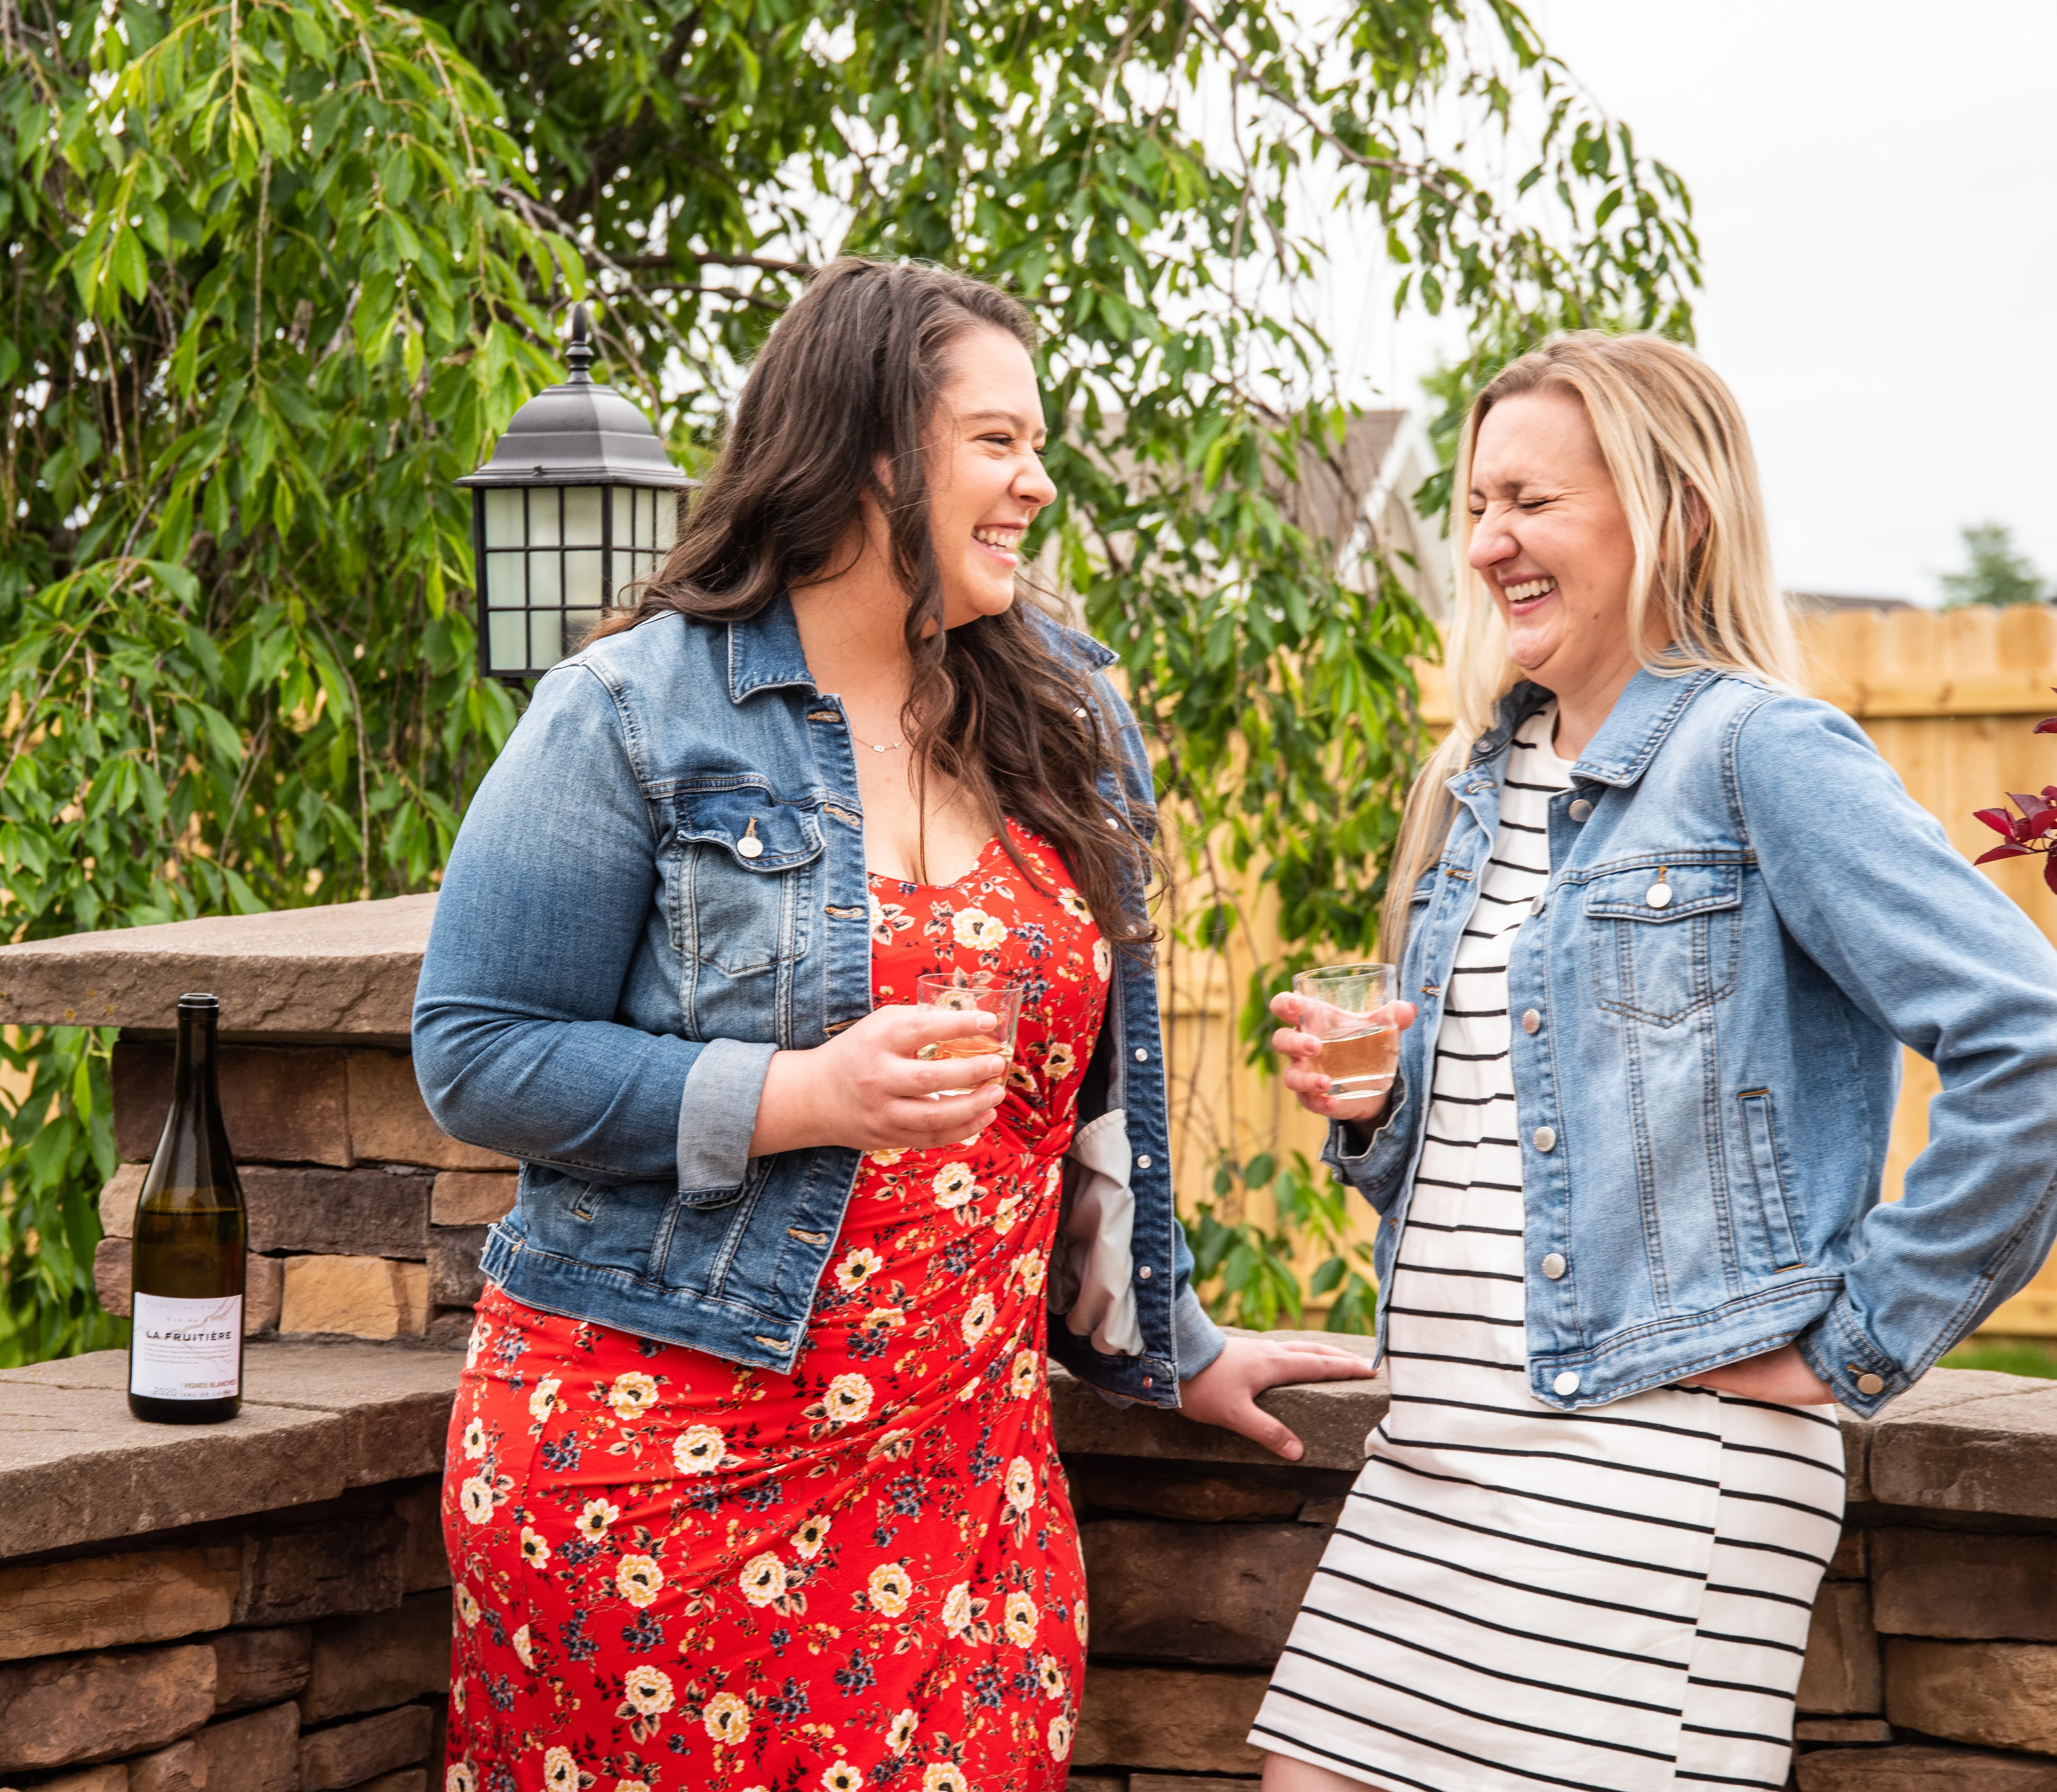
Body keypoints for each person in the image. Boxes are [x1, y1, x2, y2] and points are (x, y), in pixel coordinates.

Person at [411, 257, 1372, 1792]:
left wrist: (1164, 1344)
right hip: (655, 1479)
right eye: (998, 443)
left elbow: (1088, 1110)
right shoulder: (633, 709)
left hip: (967, 1481)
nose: (1037, 484)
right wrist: (797, 1094)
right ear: (872, 457)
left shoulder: (1066, 709)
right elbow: (473, 1049)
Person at [1248, 333, 2057, 1792]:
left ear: (1678, 514)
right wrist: (1376, 1105)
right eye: (1473, 505)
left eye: (1531, 500)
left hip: (1652, 1479)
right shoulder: (1474, 783)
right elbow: (1527, 1142)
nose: (1487, 543)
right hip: (1432, 1456)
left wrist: (1856, 1344)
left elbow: (2042, 1050)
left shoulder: (1762, 754)